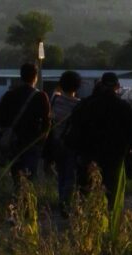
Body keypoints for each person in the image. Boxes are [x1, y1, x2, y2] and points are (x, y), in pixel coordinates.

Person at [66, 72, 132, 208]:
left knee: (85, 191)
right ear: (118, 86)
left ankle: (83, 220)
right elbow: (131, 133)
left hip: (89, 155)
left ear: (101, 85)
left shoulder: (86, 104)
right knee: (111, 192)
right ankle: (109, 220)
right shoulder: (124, 107)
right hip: (114, 156)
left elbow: (75, 129)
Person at [0, 63, 51, 186]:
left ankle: (17, 198)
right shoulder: (41, 96)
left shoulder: (9, 95)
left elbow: (1, 119)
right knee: (29, 175)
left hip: (13, 141)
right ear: (35, 77)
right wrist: (42, 140)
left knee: (16, 173)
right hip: (32, 142)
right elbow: (47, 121)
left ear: (21, 76)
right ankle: (25, 201)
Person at [44, 71, 81, 217]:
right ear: (77, 87)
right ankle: (66, 202)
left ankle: (62, 200)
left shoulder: (54, 100)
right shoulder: (79, 105)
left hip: (56, 143)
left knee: (61, 174)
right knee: (70, 175)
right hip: (71, 145)